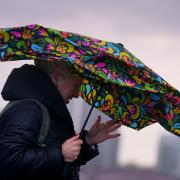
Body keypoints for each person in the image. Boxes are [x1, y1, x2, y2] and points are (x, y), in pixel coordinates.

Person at [0, 60, 121, 179]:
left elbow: (56, 166)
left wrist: (88, 140)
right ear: (56, 78)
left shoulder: (48, 110)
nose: (77, 94)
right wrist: (60, 153)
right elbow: (8, 161)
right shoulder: (28, 110)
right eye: (76, 85)